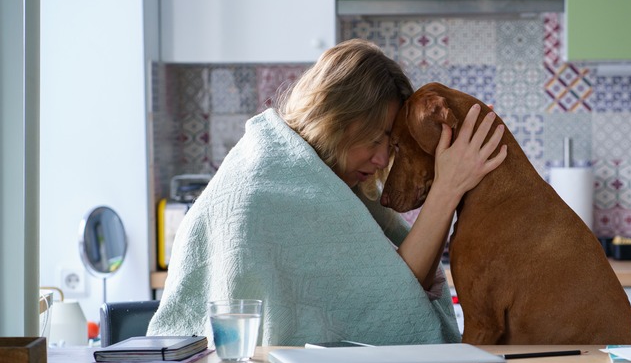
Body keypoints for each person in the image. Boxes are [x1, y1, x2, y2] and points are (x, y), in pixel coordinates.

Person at [147, 39, 506, 346]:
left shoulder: (318, 180)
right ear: (336, 117)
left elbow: (395, 285)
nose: (383, 158)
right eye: (374, 136)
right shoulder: (276, 187)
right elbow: (394, 299)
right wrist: (448, 187)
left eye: (390, 144)